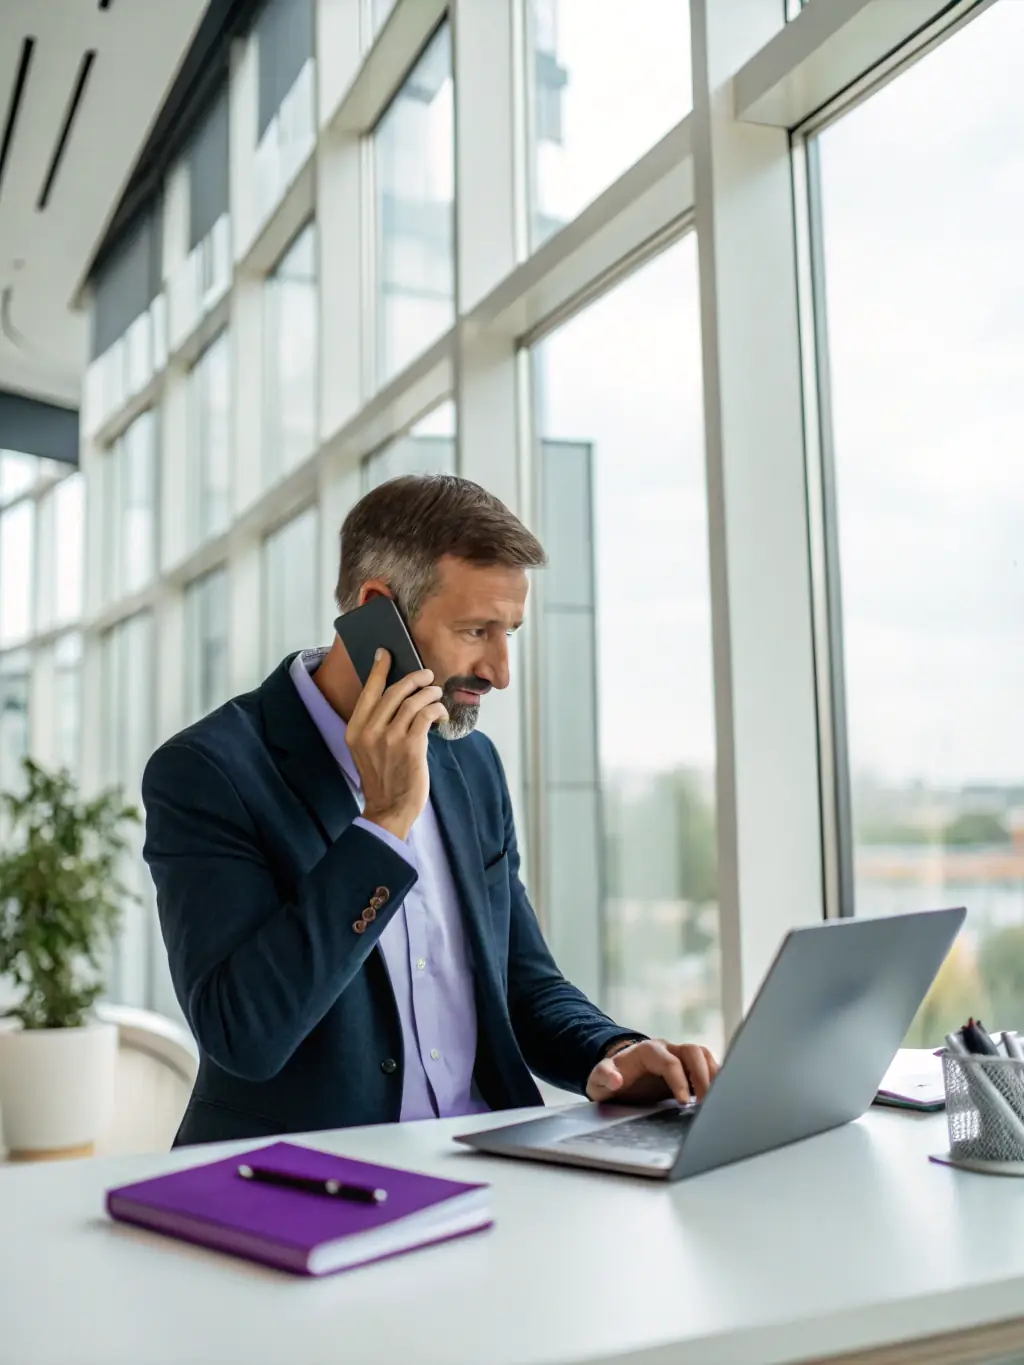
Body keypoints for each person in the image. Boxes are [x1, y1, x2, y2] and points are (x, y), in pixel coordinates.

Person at [142, 475, 719, 1146]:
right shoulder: (210, 772)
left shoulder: (471, 764)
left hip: (490, 1165)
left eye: (510, 633)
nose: (500, 670)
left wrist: (613, 1051)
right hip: (307, 1182)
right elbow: (245, 1035)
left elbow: (522, 983)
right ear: (377, 613)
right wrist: (382, 825)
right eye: (477, 630)